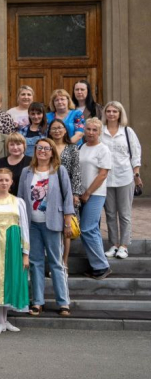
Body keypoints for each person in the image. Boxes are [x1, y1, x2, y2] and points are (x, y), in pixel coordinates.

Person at [18, 138, 74, 318]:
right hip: (32, 224)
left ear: (52, 152)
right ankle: (37, 302)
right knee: (35, 263)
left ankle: (63, 302)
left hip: (53, 223)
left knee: (56, 262)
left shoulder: (59, 171)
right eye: (39, 148)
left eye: (46, 148)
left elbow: (68, 197)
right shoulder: (27, 172)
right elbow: (20, 198)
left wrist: (67, 222)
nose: (42, 151)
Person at [0, 169, 30, 334]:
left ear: (11, 182)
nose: (3, 183)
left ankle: (5, 319)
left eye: (6, 180)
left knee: (9, 278)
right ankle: (0, 321)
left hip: (13, 245)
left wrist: (25, 254)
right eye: (0, 180)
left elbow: (24, 228)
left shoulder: (18, 202)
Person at [101, 101, 142, 260]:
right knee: (110, 213)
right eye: (109, 111)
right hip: (106, 179)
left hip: (125, 176)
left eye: (114, 111)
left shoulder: (127, 131)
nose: (111, 114)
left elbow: (136, 154)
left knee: (124, 213)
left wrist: (136, 175)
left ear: (120, 114)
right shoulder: (100, 132)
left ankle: (124, 245)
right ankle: (113, 244)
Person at [78, 118, 113, 279]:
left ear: (99, 133)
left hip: (96, 194)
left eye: (94, 130)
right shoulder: (82, 147)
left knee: (87, 228)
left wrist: (88, 193)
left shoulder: (103, 149)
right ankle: (97, 265)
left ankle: (102, 265)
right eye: (88, 129)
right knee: (92, 230)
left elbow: (103, 174)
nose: (91, 132)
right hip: (82, 193)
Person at [49, 118, 84, 269]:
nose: (57, 131)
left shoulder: (72, 148)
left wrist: (75, 194)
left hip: (67, 191)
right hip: (48, 191)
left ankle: (64, 263)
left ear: (65, 130)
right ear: (49, 131)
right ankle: (53, 262)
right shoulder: (46, 146)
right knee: (51, 227)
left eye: (60, 128)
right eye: (54, 128)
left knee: (66, 228)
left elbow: (76, 172)